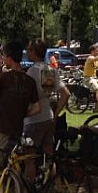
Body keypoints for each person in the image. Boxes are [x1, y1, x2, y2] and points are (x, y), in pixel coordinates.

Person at [0, 40, 40, 178]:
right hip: (17, 128)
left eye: (3, 56)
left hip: (1, 126)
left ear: (9, 57)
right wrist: (23, 114)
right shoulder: (29, 81)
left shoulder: (4, 77)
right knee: (14, 163)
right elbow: (37, 108)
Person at [24, 38, 70, 177]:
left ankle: (29, 190)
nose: (27, 52)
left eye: (29, 50)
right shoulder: (51, 70)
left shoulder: (32, 71)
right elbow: (66, 94)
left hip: (33, 118)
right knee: (49, 156)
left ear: (34, 52)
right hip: (48, 116)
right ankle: (55, 187)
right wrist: (56, 113)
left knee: (29, 158)